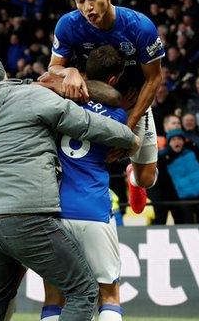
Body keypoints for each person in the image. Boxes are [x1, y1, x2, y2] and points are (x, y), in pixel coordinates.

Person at [0, 51, 139, 321]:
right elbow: (84, 122)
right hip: (27, 216)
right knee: (83, 290)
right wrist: (129, 138)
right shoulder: (29, 97)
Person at [43, 0, 165, 213]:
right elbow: (53, 68)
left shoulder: (139, 26)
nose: (87, 7)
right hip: (89, 98)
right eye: (80, 1)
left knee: (147, 179)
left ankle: (132, 178)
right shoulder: (68, 24)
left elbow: (154, 79)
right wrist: (71, 73)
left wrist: (126, 129)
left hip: (132, 102)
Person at [41, 46, 127, 321]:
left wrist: (66, 74)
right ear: (114, 80)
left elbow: (43, 80)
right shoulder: (118, 116)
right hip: (93, 208)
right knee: (109, 295)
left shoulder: (58, 102)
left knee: (55, 297)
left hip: (55, 210)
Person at [155, 128, 199, 224]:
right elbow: (154, 158)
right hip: (185, 195)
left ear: (184, 141)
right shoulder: (166, 157)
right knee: (188, 224)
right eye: (173, 140)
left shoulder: (191, 149)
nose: (177, 142)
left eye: (179, 139)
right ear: (169, 143)